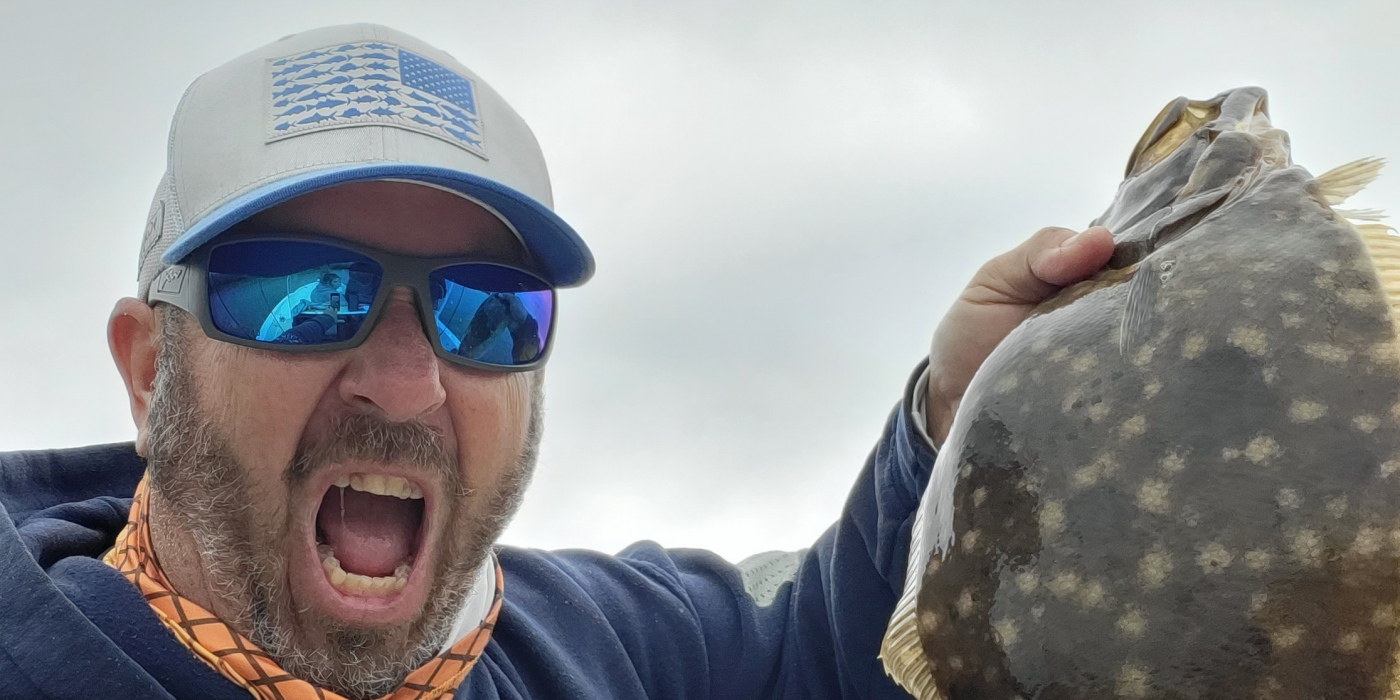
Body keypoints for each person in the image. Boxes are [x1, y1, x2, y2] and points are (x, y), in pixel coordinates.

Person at [0, 24, 1113, 700]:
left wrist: (951, 411)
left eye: (488, 312)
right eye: (302, 294)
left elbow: (822, 653)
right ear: (149, 372)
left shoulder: (599, 646)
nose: (404, 380)